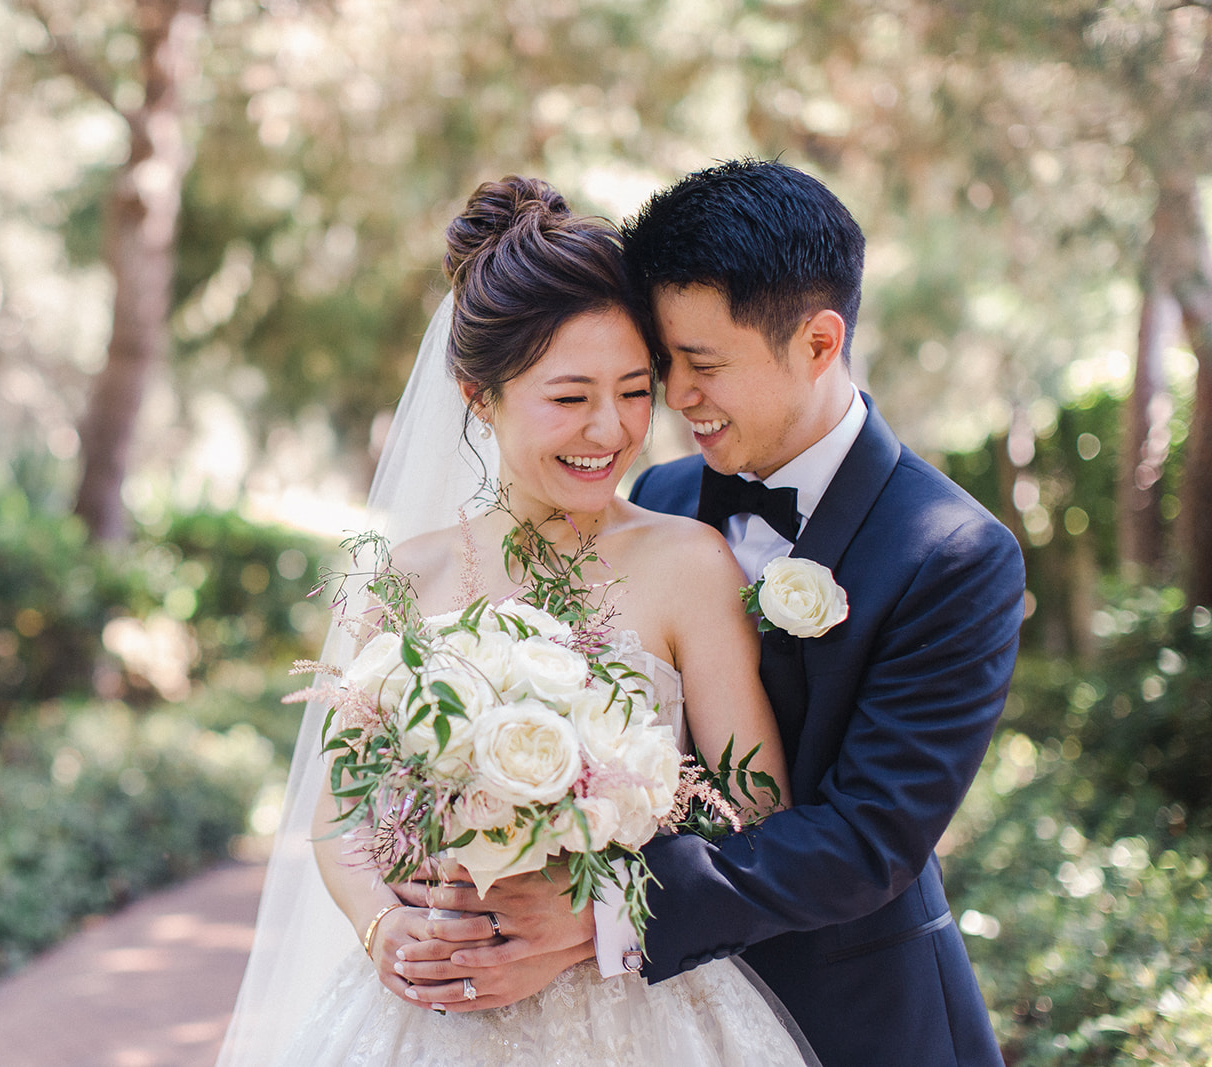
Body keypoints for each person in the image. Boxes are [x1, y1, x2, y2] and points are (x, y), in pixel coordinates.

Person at [399, 160, 1026, 1067]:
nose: (674, 400)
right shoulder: (659, 494)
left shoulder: (952, 553)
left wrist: (592, 910)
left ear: (817, 344)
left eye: (701, 366)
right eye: (667, 365)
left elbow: (868, 837)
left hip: (853, 1011)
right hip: (631, 1014)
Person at [216, 175, 819, 1066]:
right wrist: (385, 928)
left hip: (638, 1008)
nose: (609, 430)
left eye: (633, 390)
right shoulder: (399, 578)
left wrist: (584, 919)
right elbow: (339, 816)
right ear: (476, 393)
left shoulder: (689, 564)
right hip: (431, 1014)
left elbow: (757, 809)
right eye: (570, 396)